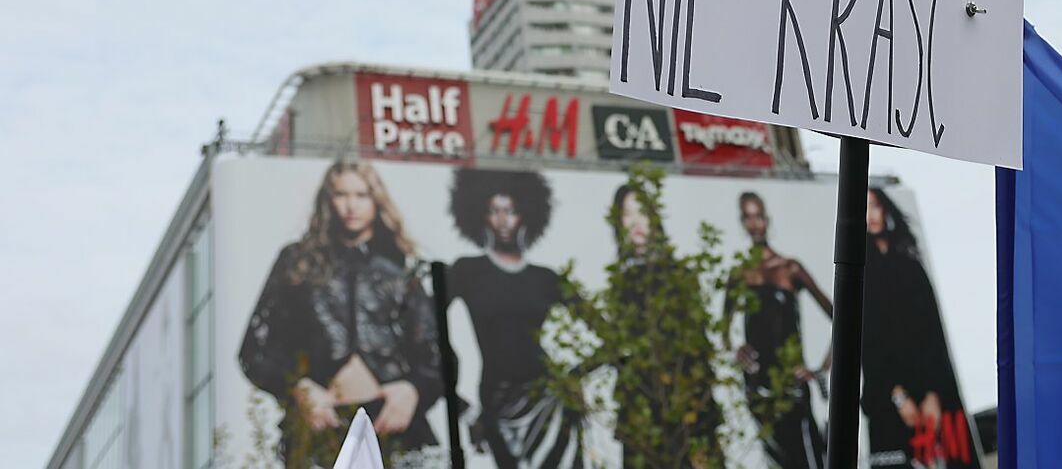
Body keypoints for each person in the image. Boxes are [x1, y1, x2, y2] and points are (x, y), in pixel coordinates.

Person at [239, 160, 443, 465]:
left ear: (376, 200)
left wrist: (413, 390)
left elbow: (437, 355)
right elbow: (255, 349)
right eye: (341, 194)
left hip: (395, 430)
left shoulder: (401, 268)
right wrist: (298, 387)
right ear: (328, 200)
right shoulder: (298, 262)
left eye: (361, 195)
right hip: (318, 431)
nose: (351, 205)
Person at [447, 168, 584, 469]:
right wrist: (460, 405)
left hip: (548, 398)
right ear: (481, 215)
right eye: (493, 211)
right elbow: (425, 332)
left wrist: (575, 375)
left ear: (525, 214)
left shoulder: (545, 278)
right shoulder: (467, 271)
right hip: (496, 399)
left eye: (510, 211)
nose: (502, 221)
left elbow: (608, 332)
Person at [608, 182, 725, 469]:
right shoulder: (621, 283)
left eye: (642, 212)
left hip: (686, 407)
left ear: (654, 217)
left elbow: (698, 346)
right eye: (626, 214)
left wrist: (697, 409)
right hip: (641, 409)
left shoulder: (679, 276)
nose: (635, 222)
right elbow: (620, 346)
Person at [861, 188, 973, 469]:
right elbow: (867, 345)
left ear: (885, 210)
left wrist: (933, 393)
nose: (869, 215)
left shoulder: (910, 267)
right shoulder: (856, 276)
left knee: (949, 456)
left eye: (874, 205)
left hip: (932, 388)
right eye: (861, 208)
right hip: (886, 396)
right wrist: (899, 397)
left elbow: (933, 335)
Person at [733, 191, 831, 468]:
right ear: (742, 222)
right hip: (758, 388)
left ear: (767, 220)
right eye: (748, 217)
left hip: (792, 385)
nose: (754, 224)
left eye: (758, 216)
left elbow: (841, 319)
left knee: (809, 458)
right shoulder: (740, 274)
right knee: (776, 460)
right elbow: (724, 329)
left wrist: (821, 369)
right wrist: (737, 350)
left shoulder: (790, 268)